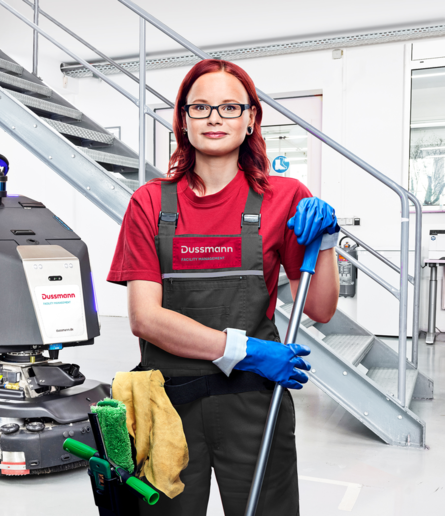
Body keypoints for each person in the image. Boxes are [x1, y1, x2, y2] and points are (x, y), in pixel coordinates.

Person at [107, 59, 340, 516]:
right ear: (184, 120)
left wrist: (325, 242)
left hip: (255, 401)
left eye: (230, 106)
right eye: (201, 107)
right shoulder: (150, 203)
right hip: (168, 405)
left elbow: (321, 307)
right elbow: (145, 318)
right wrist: (247, 349)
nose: (215, 117)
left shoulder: (287, 197)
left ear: (251, 117)